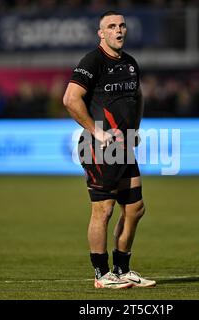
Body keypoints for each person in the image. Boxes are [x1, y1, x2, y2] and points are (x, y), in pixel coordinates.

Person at [62, 11, 156, 289]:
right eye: (111, 26)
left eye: (122, 25)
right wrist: (96, 131)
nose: (119, 30)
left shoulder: (130, 63)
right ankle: (102, 275)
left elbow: (137, 97)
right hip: (99, 148)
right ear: (101, 33)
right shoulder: (92, 61)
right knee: (103, 210)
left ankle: (122, 269)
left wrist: (135, 131)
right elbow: (70, 99)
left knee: (135, 208)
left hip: (124, 146)